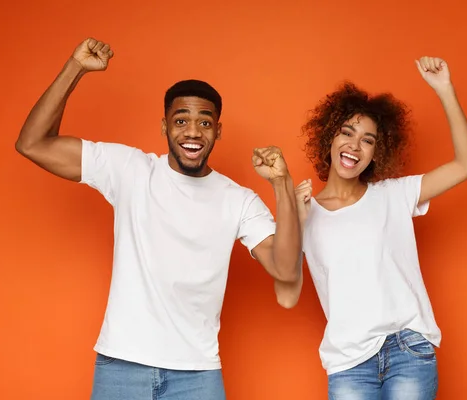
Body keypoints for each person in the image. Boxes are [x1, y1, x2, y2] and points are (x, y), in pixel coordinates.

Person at [15, 37, 302, 400]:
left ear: (218, 131)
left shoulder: (238, 200)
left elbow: (286, 269)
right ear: (165, 127)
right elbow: (32, 144)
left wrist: (281, 184)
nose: (193, 132)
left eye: (205, 122)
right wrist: (75, 68)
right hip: (121, 366)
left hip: (197, 374)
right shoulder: (130, 169)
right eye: (181, 120)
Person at [282, 56, 467, 399]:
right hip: (348, 362)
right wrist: (295, 220)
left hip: (408, 349)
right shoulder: (304, 213)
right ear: (329, 138)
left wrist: (445, 90)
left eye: (368, 140)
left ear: (377, 152)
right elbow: (287, 292)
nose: (354, 146)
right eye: (347, 133)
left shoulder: (393, 195)